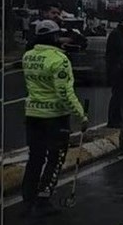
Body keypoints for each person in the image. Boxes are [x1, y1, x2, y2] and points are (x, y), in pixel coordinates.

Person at [21, 20, 88, 215]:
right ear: (54, 37)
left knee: (35, 157)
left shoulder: (28, 56)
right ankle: (43, 198)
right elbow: (64, 92)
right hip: (55, 117)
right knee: (55, 157)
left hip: (33, 114)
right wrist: (80, 114)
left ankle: (28, 197)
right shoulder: (59, 59)